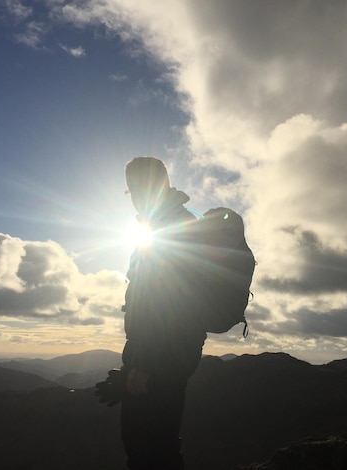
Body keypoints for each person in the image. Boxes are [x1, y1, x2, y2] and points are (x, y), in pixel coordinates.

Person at [120, 156, 206, 470]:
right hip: (170, 353)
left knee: (148, 447)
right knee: (156, 442)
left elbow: (167, 304)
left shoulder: (170, 228)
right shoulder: (174, 222)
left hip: (161, 356)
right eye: (130, 192)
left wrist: (143, 365)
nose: (134, 199)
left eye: (134, 189)